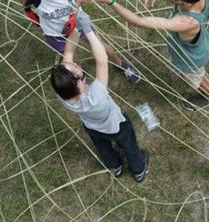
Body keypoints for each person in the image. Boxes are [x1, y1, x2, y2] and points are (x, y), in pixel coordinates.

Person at [82, 0, 209, 110]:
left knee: (197, 77)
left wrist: (110, 1)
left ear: (187, 4)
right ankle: (204, 78)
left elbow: (137, 21)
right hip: (199, 46)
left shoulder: (185, 22)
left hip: (190, 59)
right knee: (200, 73)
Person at [50, 13, 149, 182]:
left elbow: (68, 51)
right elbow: (102, 60)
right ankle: (138, 169)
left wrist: (77, 29)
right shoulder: (96, 95)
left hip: (93, 128)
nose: (73, 63)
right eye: (74, 67)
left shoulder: (64, 95)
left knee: (104, 148)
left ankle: (115, 166)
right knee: (129, 146)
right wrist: (88, 30)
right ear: (79, 82)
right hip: (117, 125)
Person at [15, 0, 140, 84]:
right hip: (55, 34)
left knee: (100, 45)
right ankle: (81, 76)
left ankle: (121, 64)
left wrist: (75, 11)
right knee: (70, 58)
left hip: (78, 24)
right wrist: (27, 10)